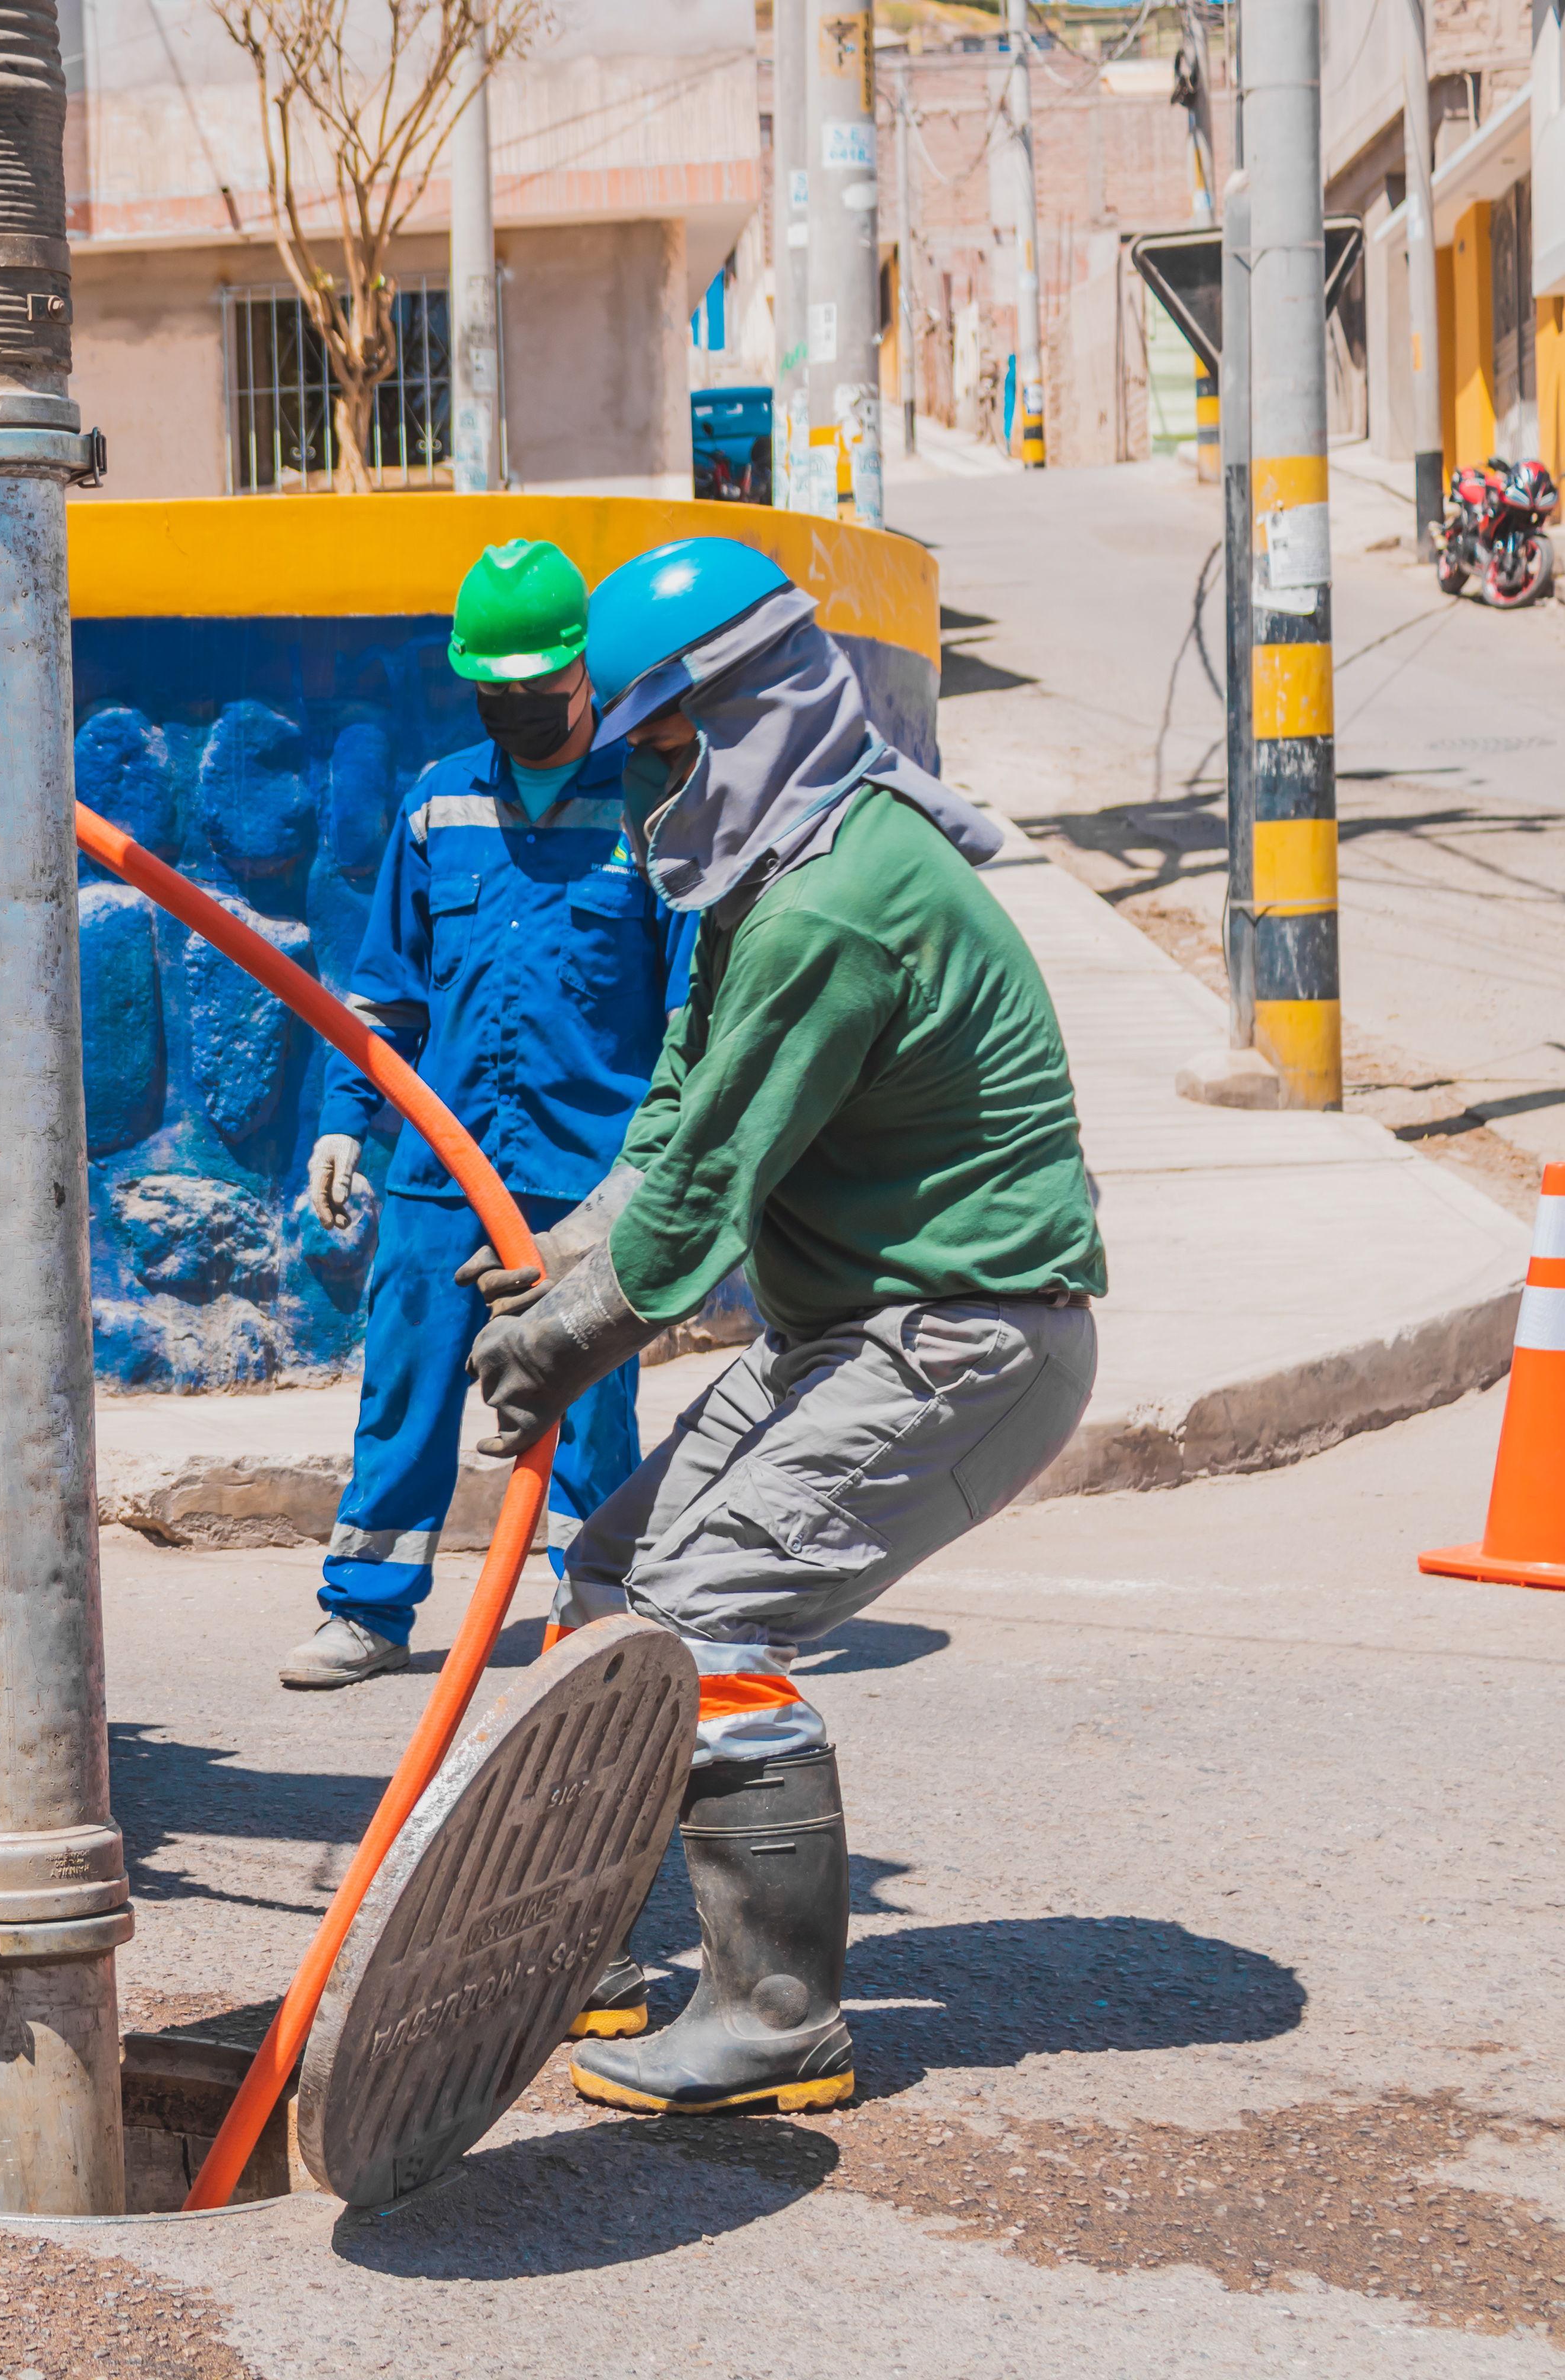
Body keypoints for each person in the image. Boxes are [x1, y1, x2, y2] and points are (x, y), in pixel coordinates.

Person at [460, 537, 1106, 2116]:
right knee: (614, 1577)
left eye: (661, 744)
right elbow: (675, 1126)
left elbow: (703, 1204)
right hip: (854, 1325)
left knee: (707, 1617)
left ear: (745, 717)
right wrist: (567, 1255)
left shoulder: (834, 903)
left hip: (967, 1335)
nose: (640, 781)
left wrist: (569, 1336)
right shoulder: (770, 866)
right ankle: (586, 1948)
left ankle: (775, 2017)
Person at [284, 540, 691, 1773]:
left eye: (538, 688)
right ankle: (365, 1608)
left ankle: (592, 1600)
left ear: (585, 674)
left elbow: (686, 1009)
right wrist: (347, 1115)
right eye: (495, 690)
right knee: (404, 1377)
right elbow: (386, 991)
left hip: (583, 1165)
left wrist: (660, 1168)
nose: (516, 711)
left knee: (592, 1393)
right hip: (440, 1165)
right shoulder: (436, 802)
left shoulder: (649, 811)